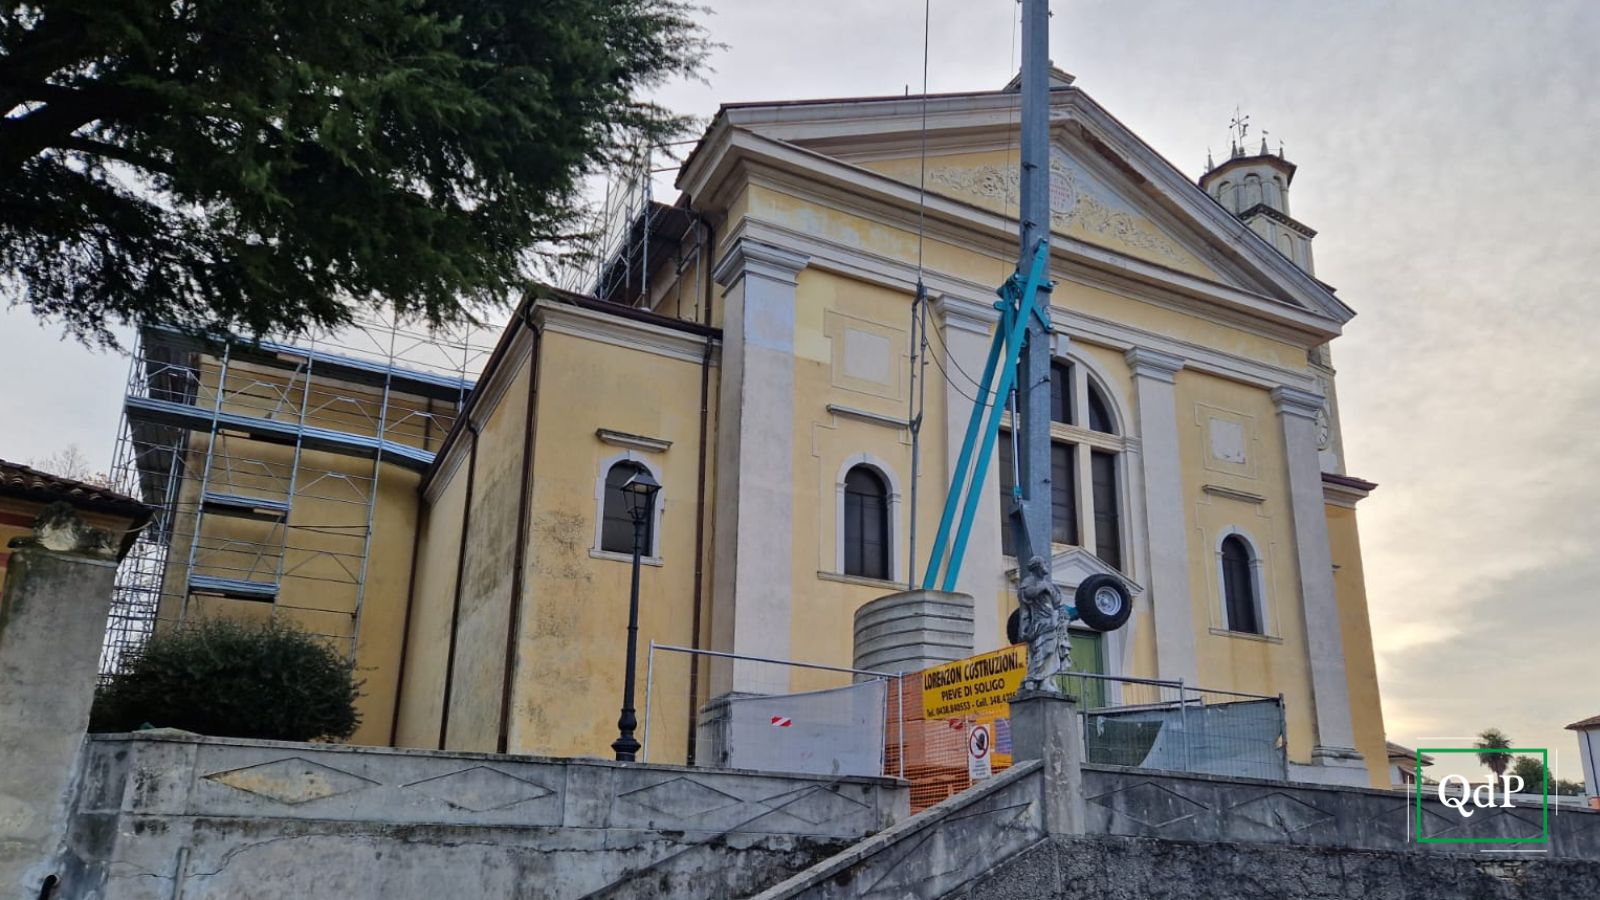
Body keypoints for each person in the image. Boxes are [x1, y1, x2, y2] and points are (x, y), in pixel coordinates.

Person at [1016, 555, 1069, 692]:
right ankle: (1031, 678)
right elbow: (1027, 595)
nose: (1046, 565)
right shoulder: (1029, 581)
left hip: (1052, 621)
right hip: (1040, 622)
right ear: (1037, 566)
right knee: (1045, 649)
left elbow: (1057, 601)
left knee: (1053, 652)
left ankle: (1045, 681)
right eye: (1044, 562)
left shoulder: (1049, 585)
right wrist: (1042, 587)